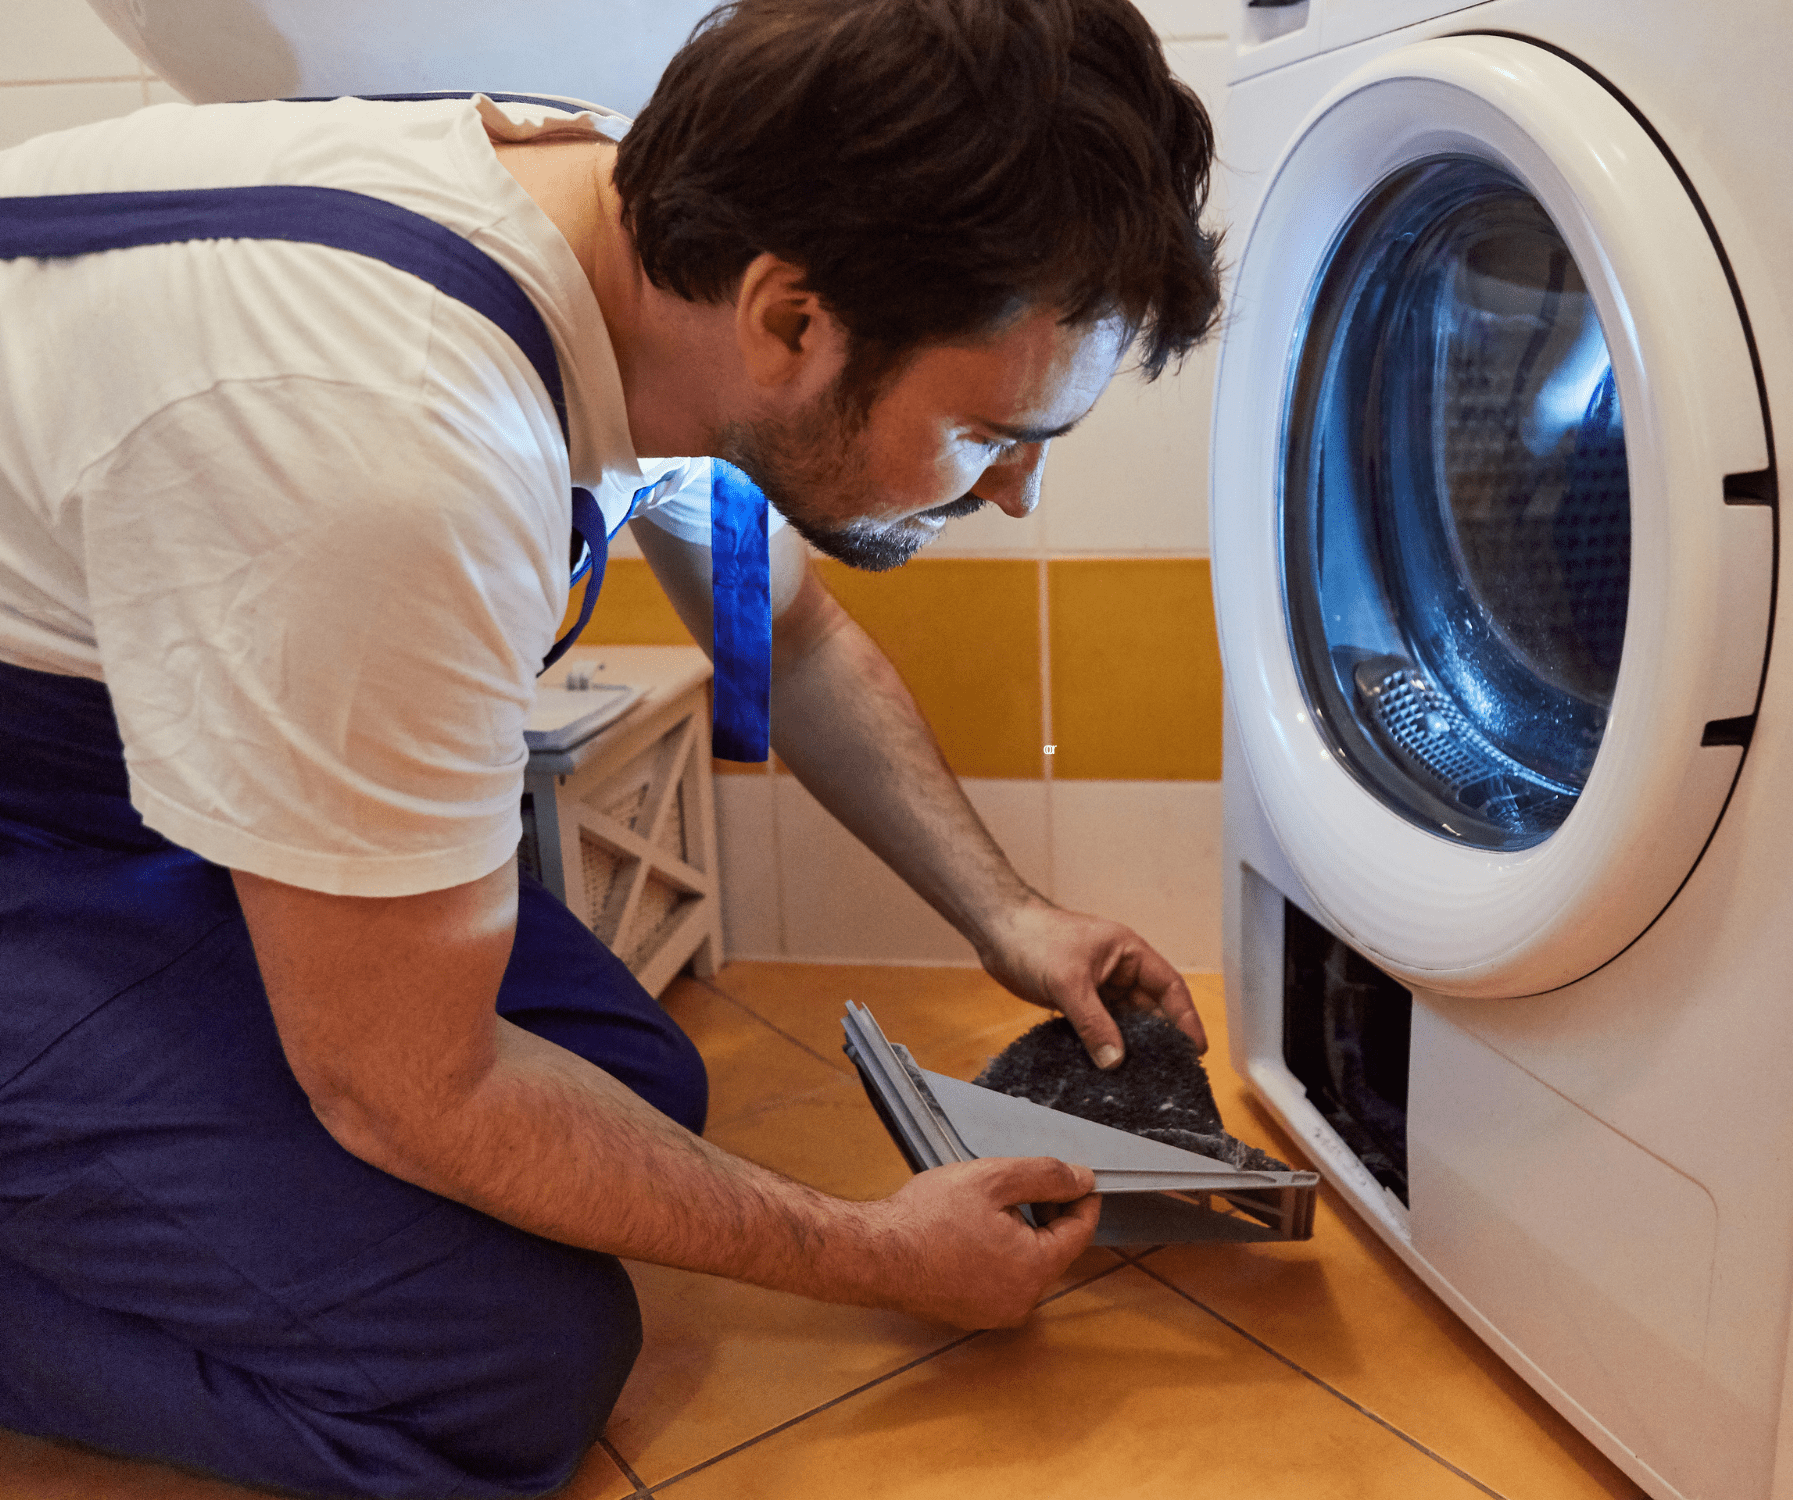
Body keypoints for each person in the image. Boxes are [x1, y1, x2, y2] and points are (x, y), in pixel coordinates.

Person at [0, 0, 1221, 1494]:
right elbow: (404, 1089)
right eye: (991, 434)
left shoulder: (652, 249)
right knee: (501, 1360)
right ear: (792, 322)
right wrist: (868, 1255)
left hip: (117, 784)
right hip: (34, 819)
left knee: (622, 1082)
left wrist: (1009, 916)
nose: (1018, 495)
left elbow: (792, 644)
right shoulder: (397, 450)